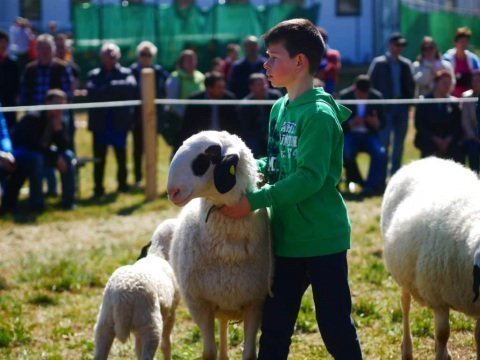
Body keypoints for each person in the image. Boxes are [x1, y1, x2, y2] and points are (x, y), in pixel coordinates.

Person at [220, 18, 362, 359]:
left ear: (299, 62)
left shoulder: (318, 115)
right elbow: (280, 163)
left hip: (322, 239)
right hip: (285, 240)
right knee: (275, 327)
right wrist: (246, 169)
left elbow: (308, 177)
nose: (265, 64)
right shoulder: (279, 107)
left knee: (334, 326)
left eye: (273, 56)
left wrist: (254, 200)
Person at [1, 89, 76, 213]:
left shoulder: (59, 119)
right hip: (20, 153)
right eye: (57, 104)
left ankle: (68, 201)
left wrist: (57, 130)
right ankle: (37, 204)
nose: (60, 108)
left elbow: (64, 146)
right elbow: (32, 144)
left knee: (68, 156)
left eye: (63, 104)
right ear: (47, 102)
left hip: (41, 153)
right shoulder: (33, 117)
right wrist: (55, 157)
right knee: (37, 159)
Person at [86, 42, 137, 198]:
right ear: (102, 57)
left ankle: (122, 186)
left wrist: (107, 88)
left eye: (113, 54)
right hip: (101, 124)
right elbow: (92, 91)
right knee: (99, 159)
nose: (110, 57)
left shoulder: (126, 72)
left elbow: (131, 87)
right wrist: (114, 90)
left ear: (118, 56)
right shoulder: (94, 74)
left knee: (121, 157)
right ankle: (98, 189)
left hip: (118, 123)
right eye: (107, 54)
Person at [368, 32, 414, 177]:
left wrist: (409, 102)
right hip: (385, 108)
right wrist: (375, 106)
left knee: (399, 143)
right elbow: (371, 84)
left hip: (401, 106)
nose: (399, 48)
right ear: (390, 45)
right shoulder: (379, 63)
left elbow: (411, 85)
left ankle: (395, 173)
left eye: (401, 45)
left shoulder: (406, 64)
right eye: (397, 45)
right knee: (384, 141)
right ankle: (381, 175)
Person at [339, 75, 387, 196]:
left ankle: (371, 187)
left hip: (369, 134)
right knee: (346, 153)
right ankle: (358, 180)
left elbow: (383, 123)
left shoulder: (376, 97)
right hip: (351, 134)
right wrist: (350, 124)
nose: (364, 96)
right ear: (355, 88)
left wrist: (375, 123)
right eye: (361, 94)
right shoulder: (345, 97)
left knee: (380, 153)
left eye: (366, 93)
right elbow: (337, 123)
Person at [130, 41, 169, 187]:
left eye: (148, 55)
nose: (145, 57)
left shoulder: (158, 71)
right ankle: (138, 178)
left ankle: (152, 178)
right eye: (142, 54)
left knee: (152, 148)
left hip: (153, 116)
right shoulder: (132, 71)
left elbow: (165, 88)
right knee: (137, 149)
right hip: (137, 117)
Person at [414, 70, 462, 161]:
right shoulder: (424, 102)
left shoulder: (454, 103)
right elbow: (419, 124)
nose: (447, 86)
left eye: (449, 83)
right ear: (436, 83)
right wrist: (435, 139)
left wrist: (448, 139)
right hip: (429, 140)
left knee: (457, 150)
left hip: (449, 142)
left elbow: (457, 125)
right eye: (444, 83)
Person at [178, 71, 238, 144]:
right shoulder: (195, 101)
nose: (222, 90)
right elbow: (187, 126)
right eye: (219, 87)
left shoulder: (229, 99)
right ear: (209, 88)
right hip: (201, 141)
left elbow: (235, 125)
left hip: (224, 140)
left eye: (223, 87)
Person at [238, 73, 282, 157]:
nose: (264, 86)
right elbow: (246, 128)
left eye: (265, 83)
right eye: (260, 84)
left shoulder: (275, 97)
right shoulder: (245, 104)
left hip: (274, 133)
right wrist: (263, 135)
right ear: (251, 87)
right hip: (255, 136)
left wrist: (270, 133)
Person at [443, 27, 480, 97]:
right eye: (461, 41)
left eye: (466, 41)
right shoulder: (447, 59)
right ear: (455, 42)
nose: (464, 44)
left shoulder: (473, 59)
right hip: (450, 97)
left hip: (469, 98)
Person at [0, 30, 20, 135]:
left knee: (10, 130)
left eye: (4, 42)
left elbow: (17, 86)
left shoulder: (12, 64)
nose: (2, 45)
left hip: (9, 104)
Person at [461, 70, 480, 172]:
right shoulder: (466, 97)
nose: (476, 83)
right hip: (472, 138)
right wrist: (475, 137)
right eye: (474, 80)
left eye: (478, 80)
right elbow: (465, 121)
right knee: (472, 149)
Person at [316, 27, 341, 96]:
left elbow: (334, 68)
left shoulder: (333, 55)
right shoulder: (310, 54)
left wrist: (323, 72)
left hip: (327, 84)